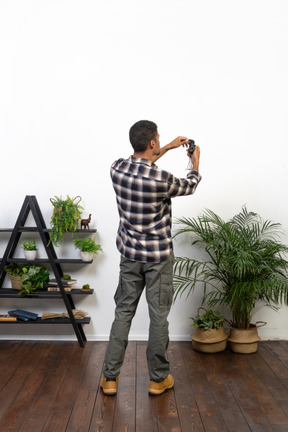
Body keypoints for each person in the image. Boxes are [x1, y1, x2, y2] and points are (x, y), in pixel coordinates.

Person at [100, 120, 201, 396]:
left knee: (123, 313)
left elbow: (143, 160)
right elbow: (190, 186)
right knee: (159, 317)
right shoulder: (161, 179)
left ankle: (110, 378)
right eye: (159, 139)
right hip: (158, 258)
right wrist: (195, 161)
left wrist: (168, 147)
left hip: (130, 255)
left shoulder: (116, 169)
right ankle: (158, 379)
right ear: (152, 142)